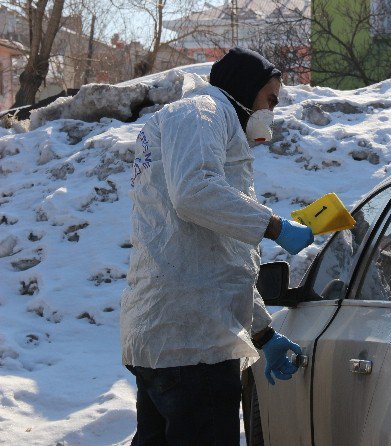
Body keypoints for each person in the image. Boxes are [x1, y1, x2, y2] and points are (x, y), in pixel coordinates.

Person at [120, 47, 313, 445]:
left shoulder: (208, 124)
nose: (271, 112)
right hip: (192, 348)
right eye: (270, 100)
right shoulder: (200, 113)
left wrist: (262, 334)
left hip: (178, 339)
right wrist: (274, 226)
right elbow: (194, 193)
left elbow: (222, 259)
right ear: (247, 87)